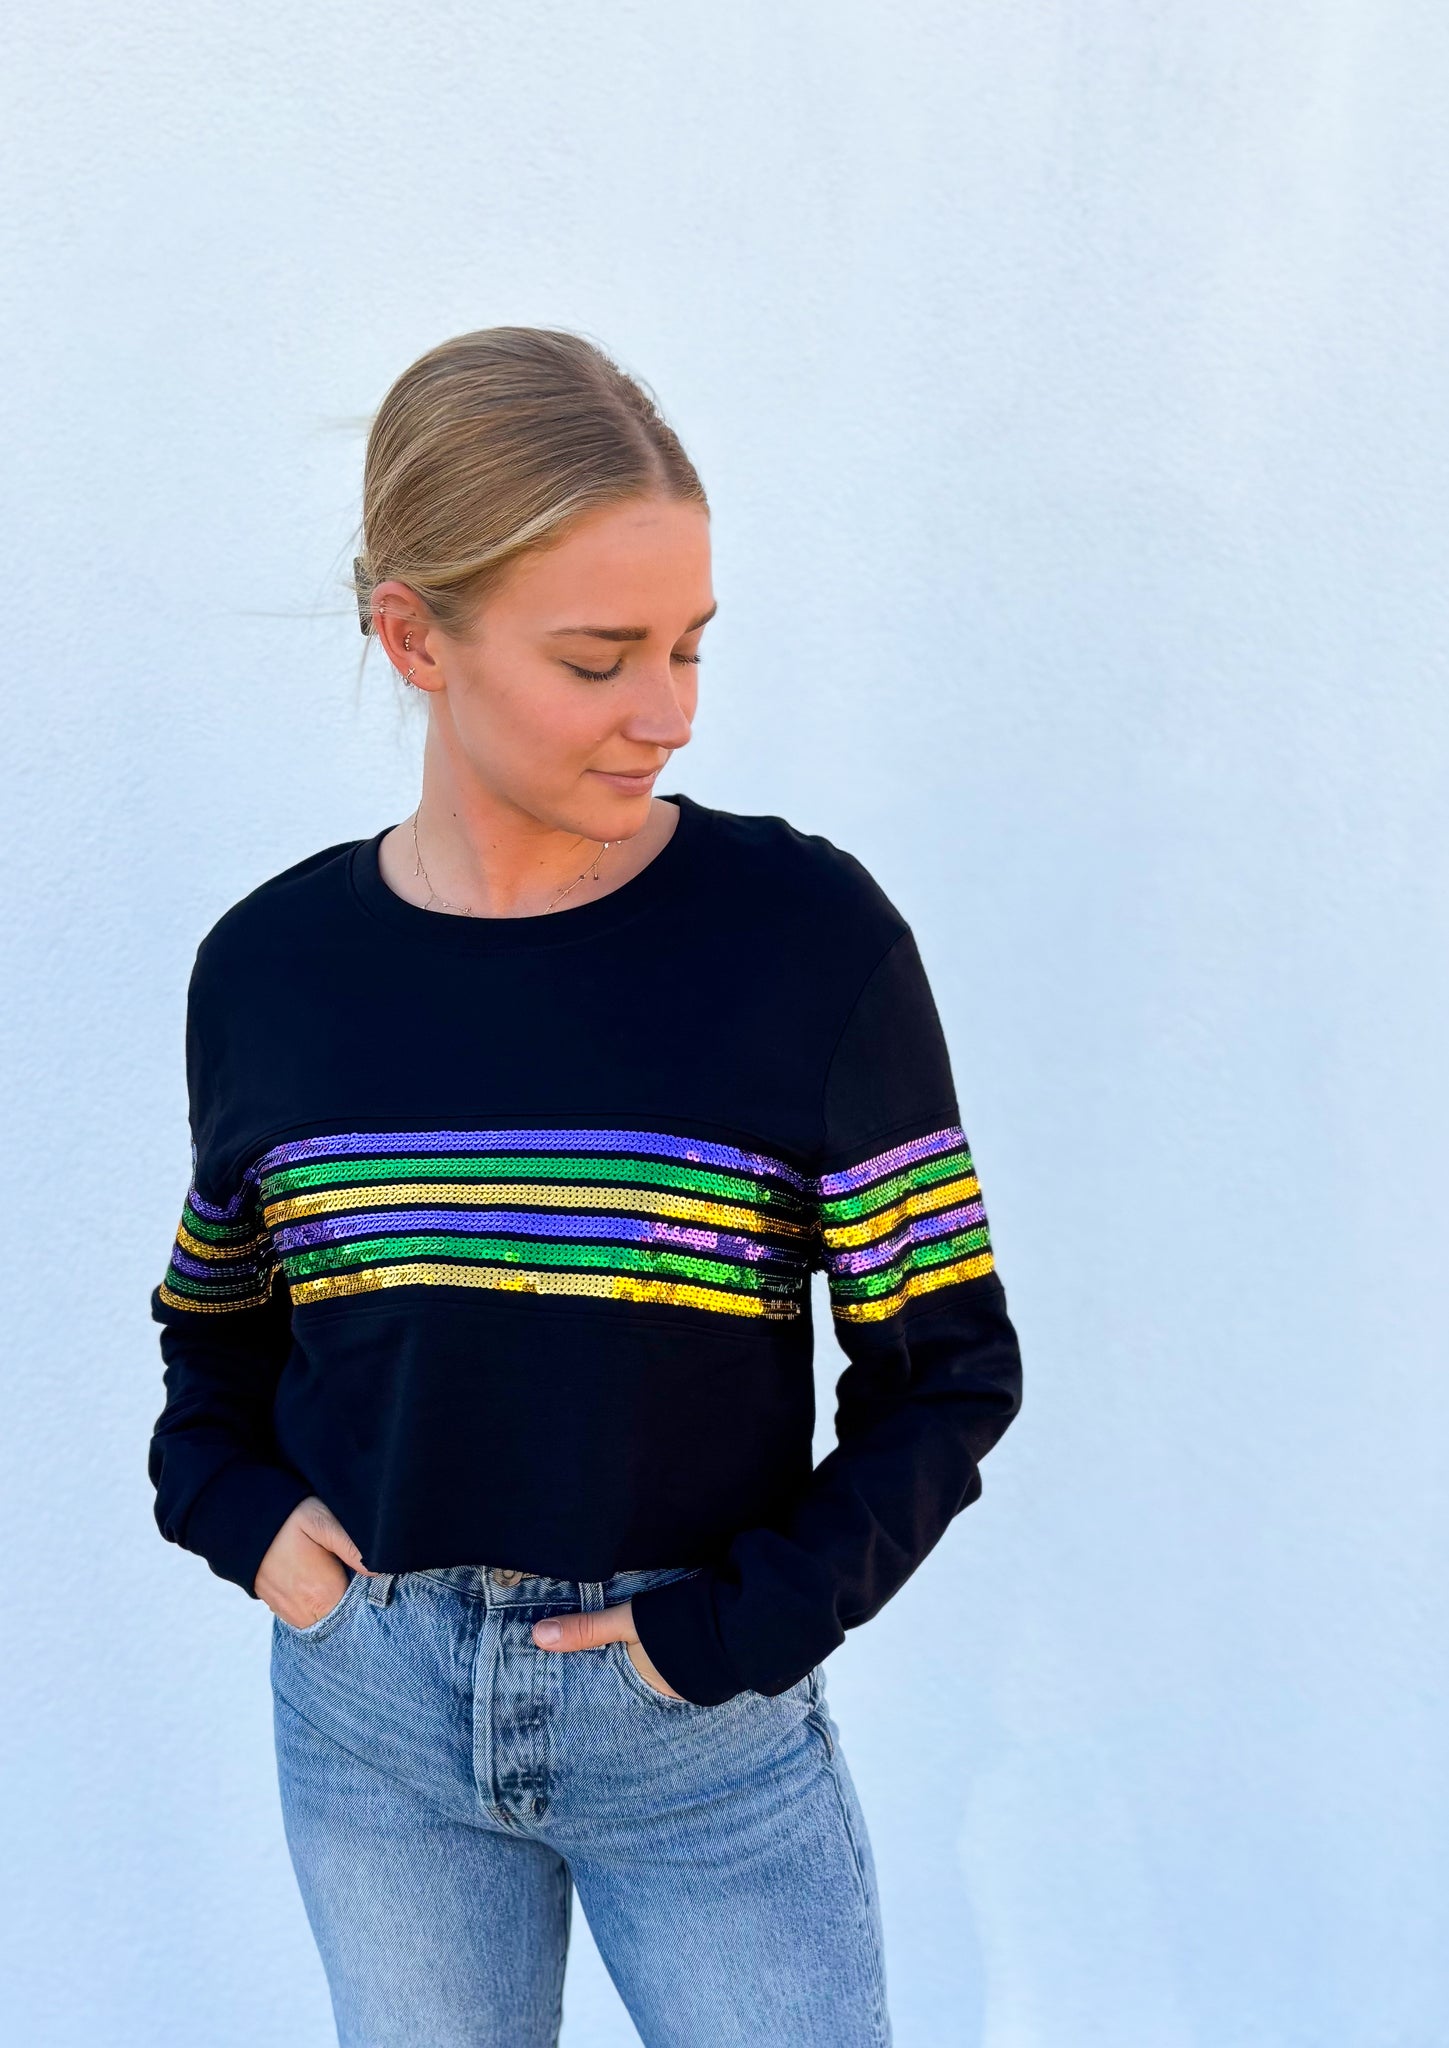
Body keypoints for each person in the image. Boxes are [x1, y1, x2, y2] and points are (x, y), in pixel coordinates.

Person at [147, 324, 1024, 2048]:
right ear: (416, 636)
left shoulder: (802, 944)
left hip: (695, 1738)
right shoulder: (271, 969)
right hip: (368, 1720)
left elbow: (947, 1373)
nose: (668, 713)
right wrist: (240, 1521)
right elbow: (216, 1332)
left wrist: (734, 1634)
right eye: (599, 658)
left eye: (689, 645)